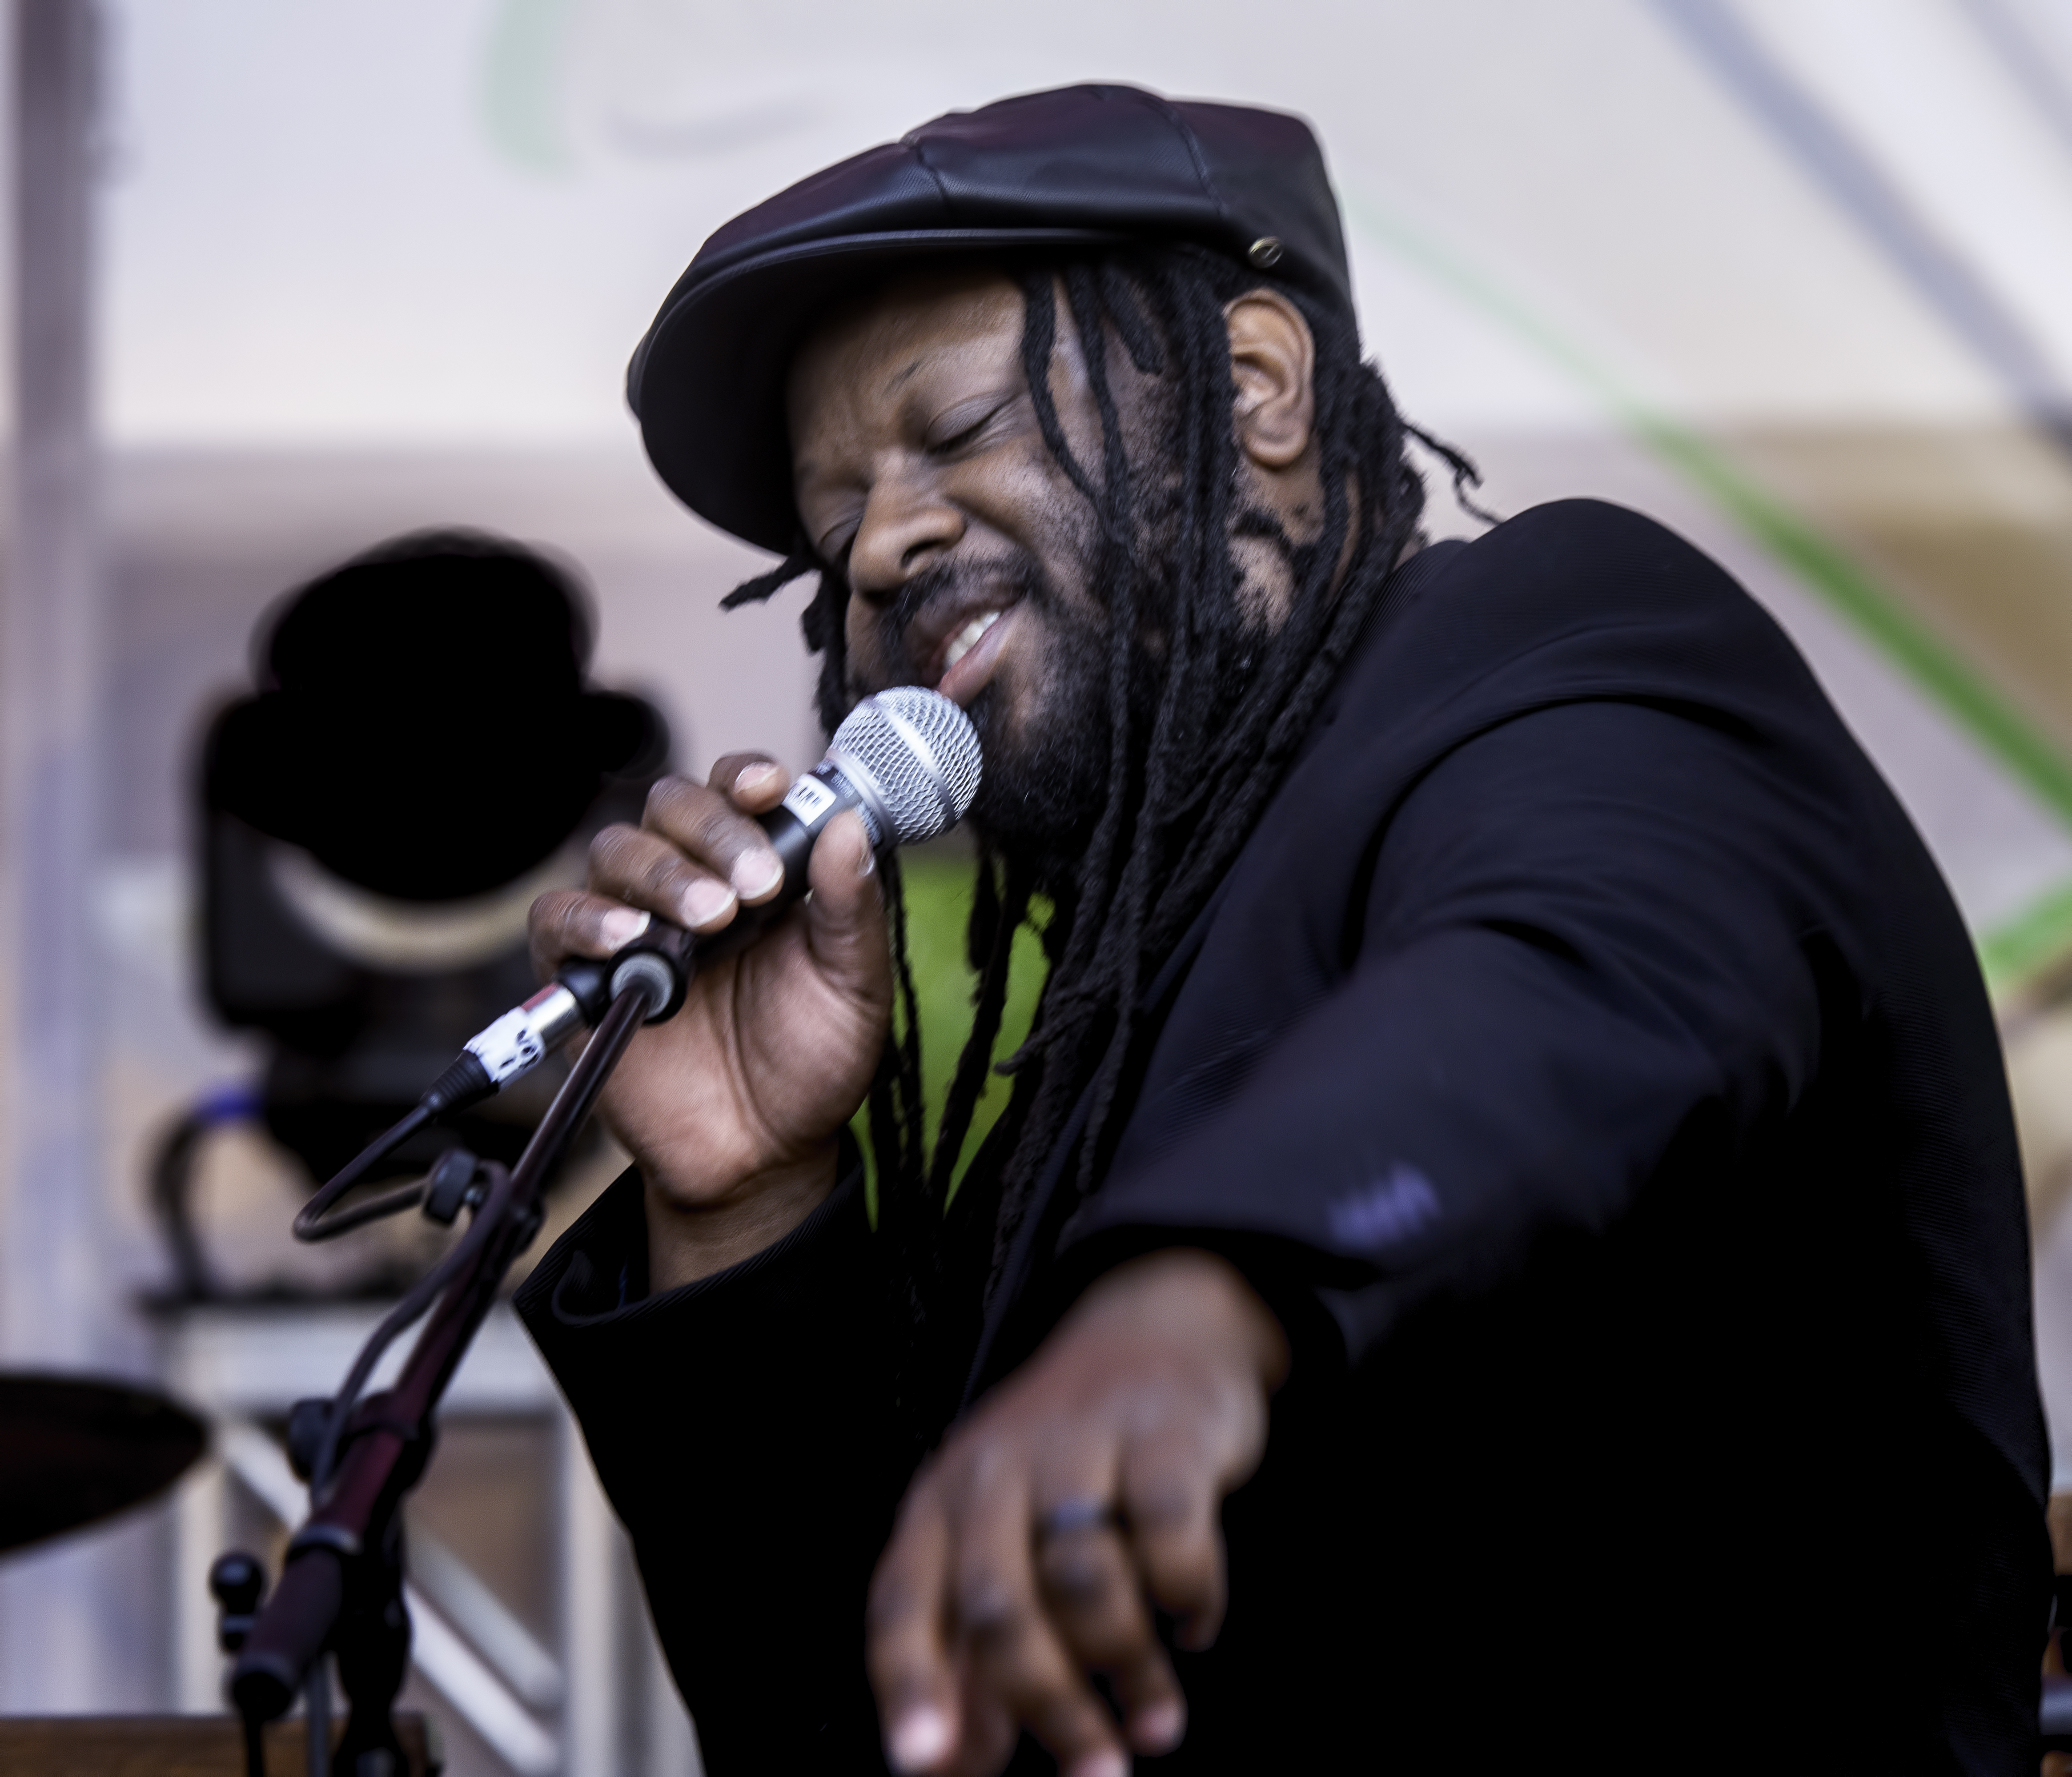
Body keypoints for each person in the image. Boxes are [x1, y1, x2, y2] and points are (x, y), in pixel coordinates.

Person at [516, 85, 2050, 1773]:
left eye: (952, 434)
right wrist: (741, 1209)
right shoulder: (1089, 1038)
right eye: (834, 522)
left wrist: (1204, 1297)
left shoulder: (1553, 646)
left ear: (1251, 386)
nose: (878, 545)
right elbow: (869, 1738)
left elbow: (1560, 982)